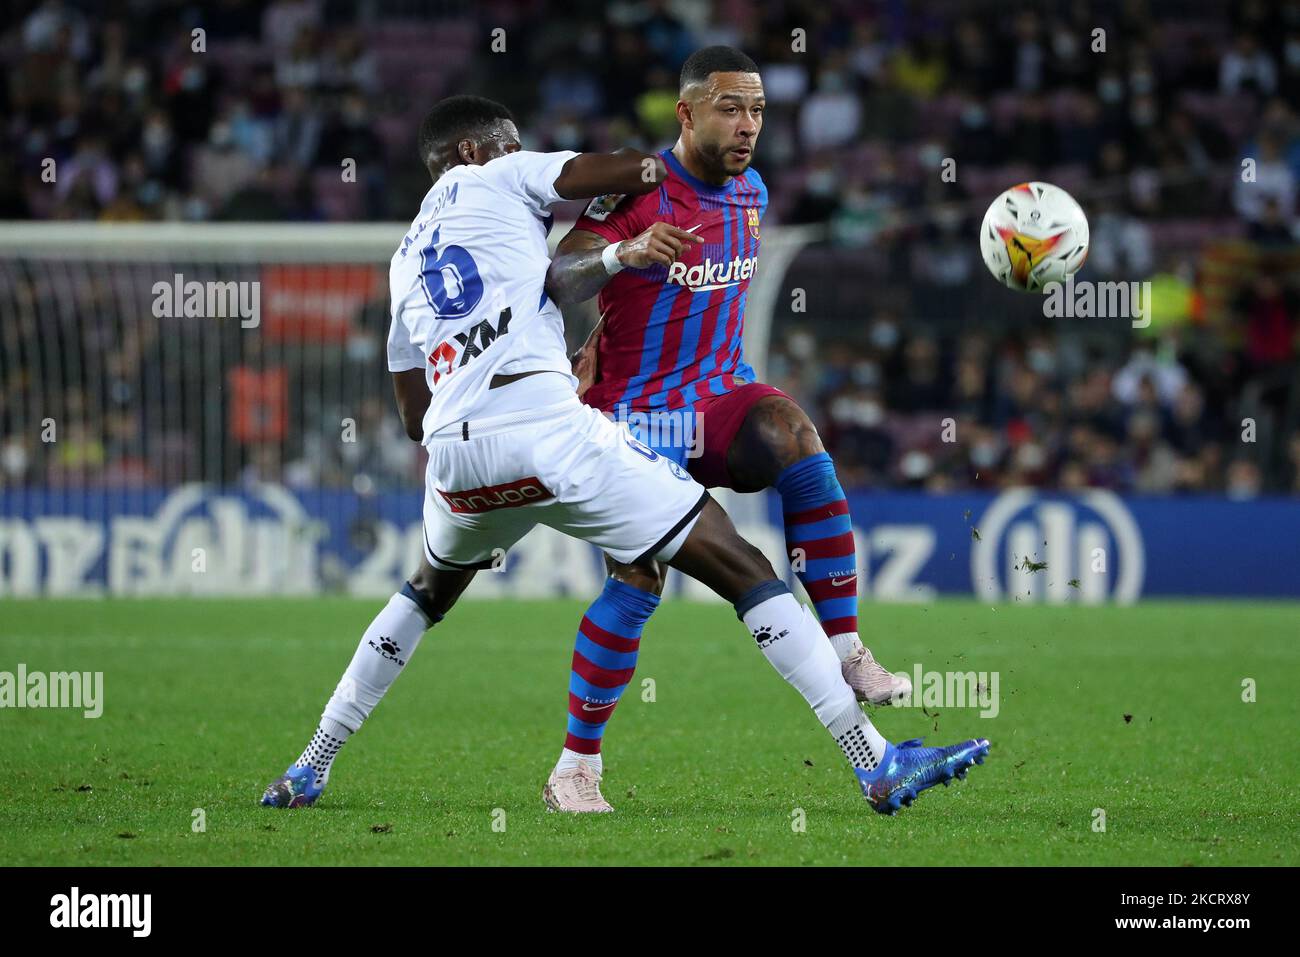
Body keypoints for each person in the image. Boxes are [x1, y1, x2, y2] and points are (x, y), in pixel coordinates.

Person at [259, 94, 988, 817]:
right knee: (741, 565)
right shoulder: (494, 176)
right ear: (473, 152)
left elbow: (413, 416)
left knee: (421, 595)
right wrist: (659, 174)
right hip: (546, 429)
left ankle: (310, 762)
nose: (520, 157)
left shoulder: (402, 260)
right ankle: (876, 762)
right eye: (510, 145)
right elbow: (616, 170)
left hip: (456, 457)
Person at [541, 46, 911, 808]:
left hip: (713, 404)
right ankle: (576, 767)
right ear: (686, 112)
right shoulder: (638, 190)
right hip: (631, 422)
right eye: (730, 108)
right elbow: (559, 274)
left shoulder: (751, 191)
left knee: (792, 431)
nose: (748, 126)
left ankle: (845, 649)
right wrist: (624, 252)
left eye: (758, 111)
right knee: (638, 581)